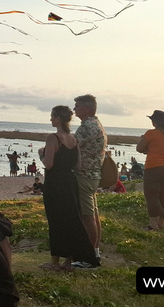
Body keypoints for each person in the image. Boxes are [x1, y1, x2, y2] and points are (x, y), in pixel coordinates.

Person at [39, 105, 100, 272]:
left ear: (58, 118)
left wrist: (41, 155)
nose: (50, 119)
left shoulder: (53, 138)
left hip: (55, 183)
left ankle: (54, 262)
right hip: (69, 181)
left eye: (52, 116)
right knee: (70, 220)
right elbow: (78, 166)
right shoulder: (73, 139)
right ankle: (68, 261)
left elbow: (49, 164)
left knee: (55, 221)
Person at [73, 94, 106, 264]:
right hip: (93, 174)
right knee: (93, 215)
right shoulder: (96, 124)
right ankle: (95, 251)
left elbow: (70, 145)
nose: (74, 109)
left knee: (87, 217)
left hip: (85, 174)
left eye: (77, 106)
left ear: (86, 108)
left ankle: (89, 258)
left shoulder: (87, 126)